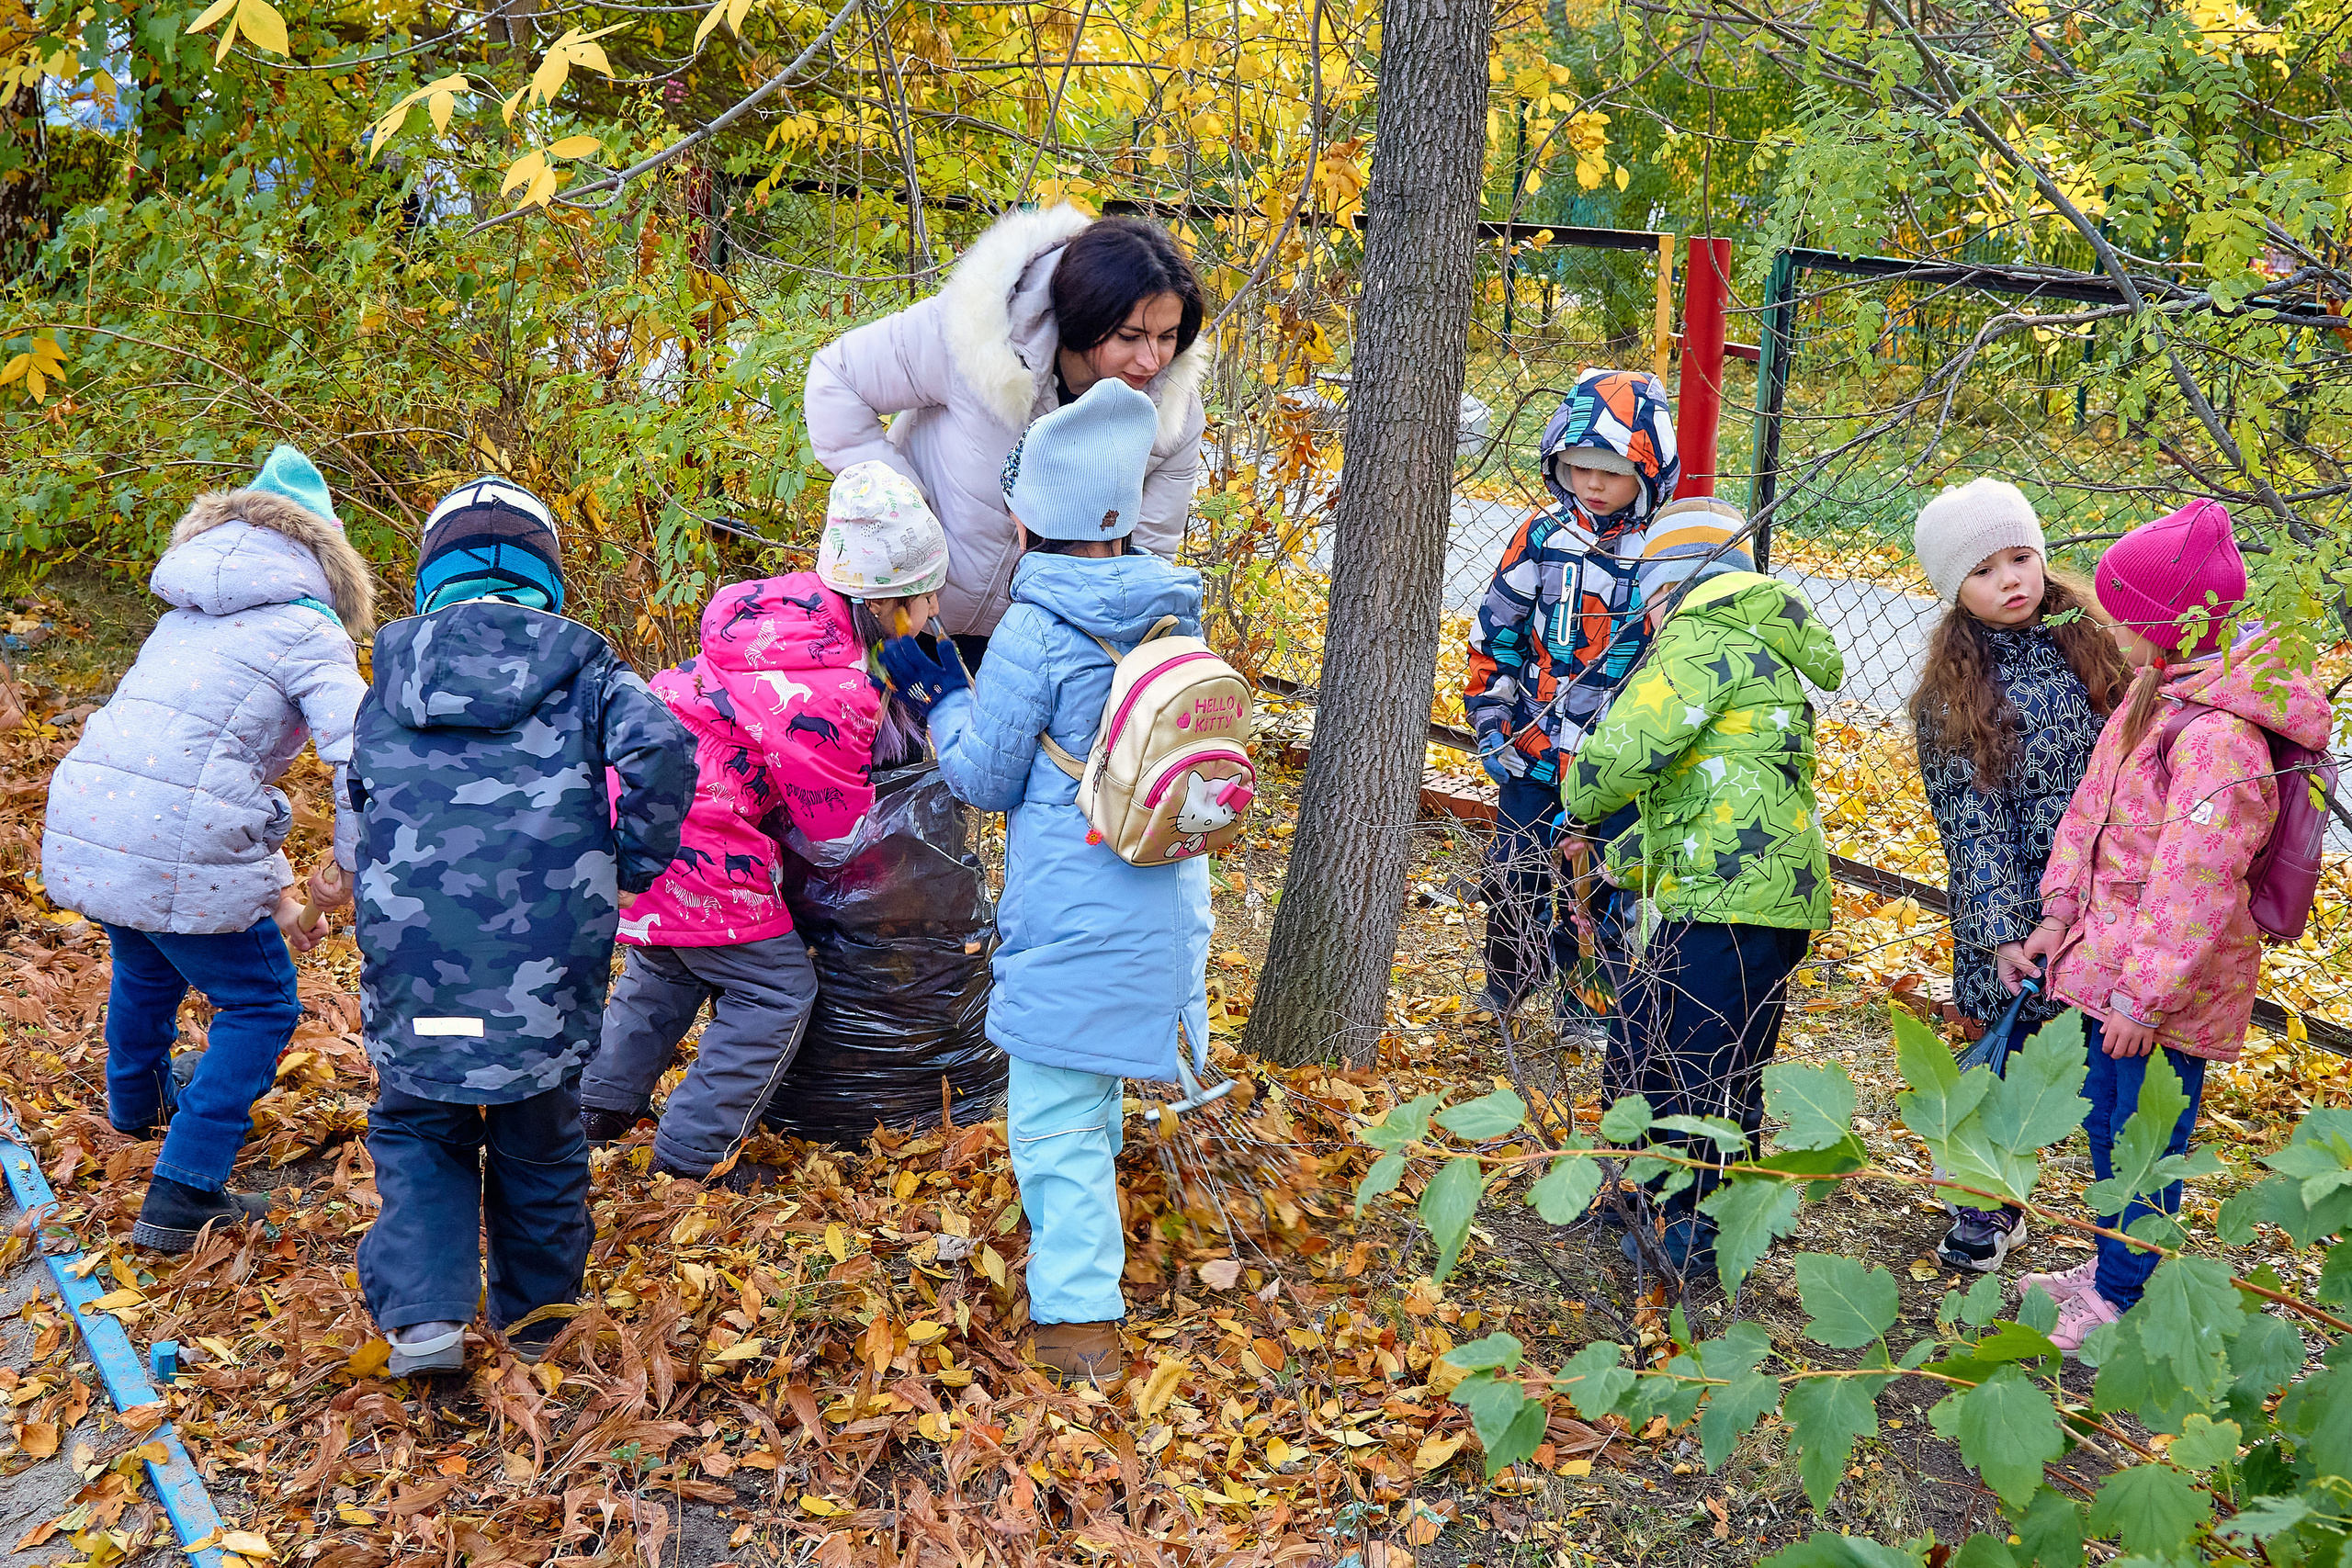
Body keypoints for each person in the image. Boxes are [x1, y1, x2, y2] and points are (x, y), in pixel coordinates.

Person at [876, 378, 1209, 1389]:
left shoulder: (1035, 628)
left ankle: (1080, 1318)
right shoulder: (1172, 609)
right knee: (1089, 1072)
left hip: (1074, 904)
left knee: (1052, 1113)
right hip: (1165, 896)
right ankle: (1101, 1230)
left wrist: (937, 698)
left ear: (1028, 515)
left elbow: (981, 776)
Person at [344, 477, 692, 1375]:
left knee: (424, 1126)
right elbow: (663, 746)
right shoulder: (588, 671)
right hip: (546, 964)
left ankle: (422, 1314)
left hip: (417, 964)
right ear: (546, 581)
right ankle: (538, 1326)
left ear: (430, 583)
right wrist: (636, 862)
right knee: (539, 1134)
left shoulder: (388, 680)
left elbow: (358, 808)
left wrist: (368, 893)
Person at [42, 446, 373, 1252]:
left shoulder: (183, 614)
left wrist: (282, 892)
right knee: (262, 1003)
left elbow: (197, 781)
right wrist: (347, 865)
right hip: (170, 837)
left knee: (146, 962)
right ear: (325, 555)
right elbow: (363, 752)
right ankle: (183, 1189)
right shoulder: (308, 628)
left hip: (97, 817)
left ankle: (140, 1106)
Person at [2018, 500, 2330, 1352]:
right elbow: (2092, 805)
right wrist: (2057, 913)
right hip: (2108, 965)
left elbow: (2194, 887)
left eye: (2121, 618)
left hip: (2159, 995)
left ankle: (2121, 1293)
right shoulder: (2158, 692)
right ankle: (2112, 1264)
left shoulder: (2219, 738)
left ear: (2164, 624)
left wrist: (2143, 999)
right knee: (2102, 1122)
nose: (2107, 629)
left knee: (2145, 1139)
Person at [581, 462, 946, 1178]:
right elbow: (838, 833)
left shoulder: (784, 617)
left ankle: (597, 1103)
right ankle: (692, 1150)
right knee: (777, 989)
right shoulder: (840, 689)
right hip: (699, 831)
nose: (934, 613)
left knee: (665, 968)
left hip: (628, 800)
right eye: (926, 597)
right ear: (884, 600)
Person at [1560, 499, 1844, 1273]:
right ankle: (1692, 1196)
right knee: (1726, 1055)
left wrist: (1579, 796)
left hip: (1724, 902)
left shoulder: (1698, 635)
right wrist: (1638, 867)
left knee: (1694, 1062)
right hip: (1759, 894)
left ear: (1675, 586)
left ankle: (1694, 1227)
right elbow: (1726, 793)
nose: (1647, 613)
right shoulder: (1757, 648)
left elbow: (1632, 748)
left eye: (1650, 594)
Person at [805, 207, 1208, 663]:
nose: (1152, 361)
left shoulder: (1169, 411)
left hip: (1024, 651)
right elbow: (836, 382)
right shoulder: (976, 334)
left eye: (1168, 336)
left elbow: (1147, 554)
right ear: (1084, 317)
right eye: (1130, 336)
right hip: (899, 614)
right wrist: (903, 509)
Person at [1907, 479, 2132, 1273]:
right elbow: (1972, 825)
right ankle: (1986, 1203)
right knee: (1999, 1051)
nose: (2012, 579)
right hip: (2012, 898)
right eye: (1985, 569)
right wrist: (2003, 930)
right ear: (1954, 590)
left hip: (2106, 889)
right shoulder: (1954, 692)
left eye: (2021, 557)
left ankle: (2119, 1223)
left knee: (2084, 1059)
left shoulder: (2096, 641)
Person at [1464, 368, 1679, 1027]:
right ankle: (1510, 974)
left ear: (1647, 472)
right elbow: (1495, 628)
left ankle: (1588, 999)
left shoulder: (1665, 551)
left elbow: (1678, 660)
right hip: (1533, 748)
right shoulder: (1541, 535)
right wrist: (1493, 718)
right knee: (1513, 870)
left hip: (1620, 762)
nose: (1593, 482)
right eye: (1580, 465)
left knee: (1607, 883)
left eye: (1613, 471)